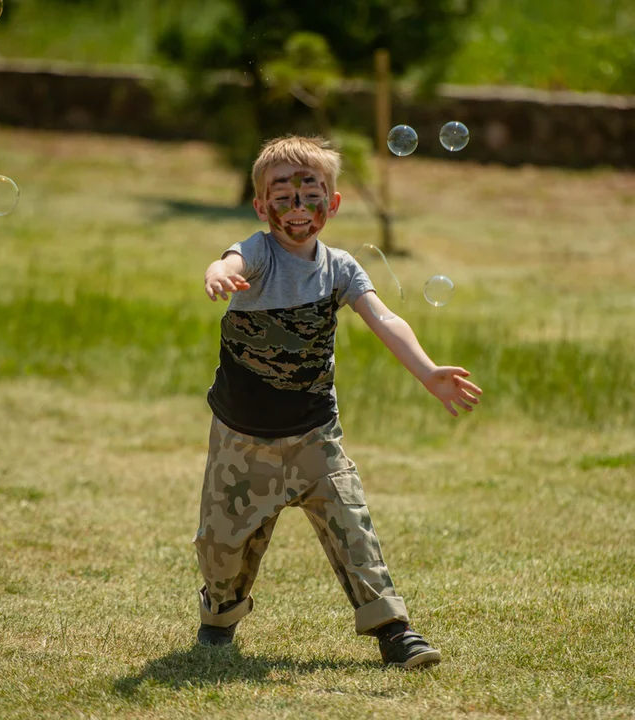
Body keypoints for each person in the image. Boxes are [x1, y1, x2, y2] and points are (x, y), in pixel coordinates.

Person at [193, 135, 483, 670]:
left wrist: (427, 372)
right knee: (221, 546)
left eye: (312, 194)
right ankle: (219, 617)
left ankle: (394, 630)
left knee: (353, 526)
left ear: (334, 202)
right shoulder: (257, 254)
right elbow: (228, 258)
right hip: (243, 438)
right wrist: (217, 273)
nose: (298, 208)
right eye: (283, 196)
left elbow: (386, 320)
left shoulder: (341, 269)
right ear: (261, 205)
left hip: (313, 435)